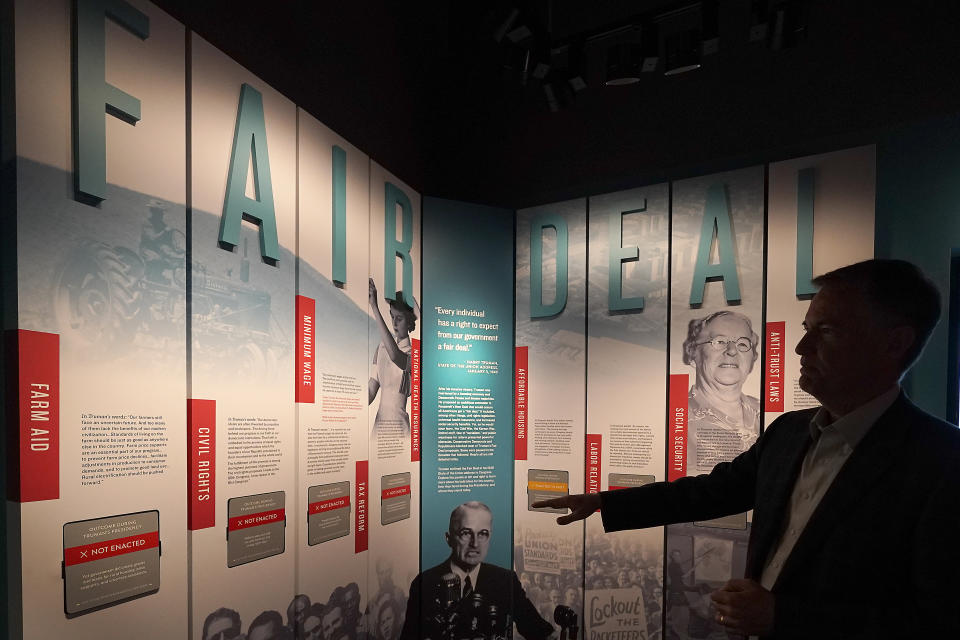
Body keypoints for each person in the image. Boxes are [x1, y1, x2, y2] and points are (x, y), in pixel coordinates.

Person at [534, 259, 960, 638]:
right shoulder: (791, 432)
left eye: (827, 331)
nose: (800, 348)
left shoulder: (941, 463)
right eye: (808, 330)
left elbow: (938, 622)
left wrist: (783, 616)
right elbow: (714, 491)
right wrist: (606, 503)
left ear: (894, 342)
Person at [399, 501, 554, 640]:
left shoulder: (505, 580)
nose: (475, 543)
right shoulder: (425, 583)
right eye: (466, 533)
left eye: (482, 534)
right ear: (449, 538)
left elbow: (538, 630)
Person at [683, 310, 761, 474]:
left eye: (742, 344)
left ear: (753, 358)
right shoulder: (678, 416)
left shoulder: (765, 412)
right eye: (719, 341)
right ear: (692, 352)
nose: (732, 350)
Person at [368, 278, 420, 433]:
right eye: (392, 316)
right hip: (379, 428)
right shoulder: (381, 347)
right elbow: (371, 390)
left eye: (400, 318)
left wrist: (374, 307)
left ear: (410, 322)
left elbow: (395, 356)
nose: (394, 323)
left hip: (400, 430)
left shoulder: (414, 354)